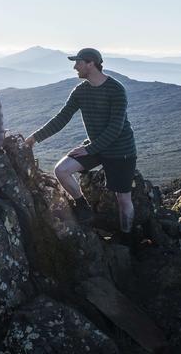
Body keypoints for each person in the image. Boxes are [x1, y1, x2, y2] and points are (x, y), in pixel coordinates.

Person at [25, 48, 137, 241]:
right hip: (95, 146)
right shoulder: (80, 91)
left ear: (91, 64)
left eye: (78, 62)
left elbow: (115, 128)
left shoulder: (116, 89)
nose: (75, 66)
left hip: (121, 150)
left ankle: (127, 238)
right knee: (61, 170)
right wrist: (34, 138)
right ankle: (82, 205)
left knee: (123, 199)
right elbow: (62, 118)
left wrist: (88, 149)